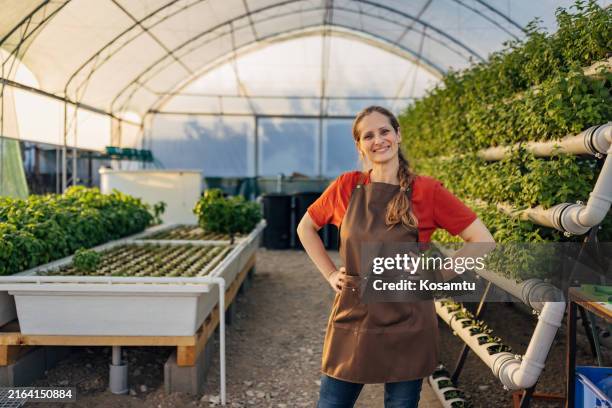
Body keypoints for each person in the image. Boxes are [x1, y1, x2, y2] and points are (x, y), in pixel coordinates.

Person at [296, 106, 495, 408]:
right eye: (368, 135)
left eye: (384, 131)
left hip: (408, 319)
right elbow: (306, 227)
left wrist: (437, 278)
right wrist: (329, 273)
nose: (378, 140)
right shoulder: (347, 186)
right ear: (359, 145)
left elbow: (482, 240)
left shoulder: (427, 191)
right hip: (354, 313)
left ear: (398, 135)